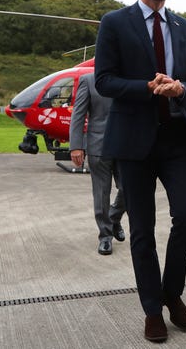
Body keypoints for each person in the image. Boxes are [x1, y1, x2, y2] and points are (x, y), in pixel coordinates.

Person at [94, 0, 186, 343]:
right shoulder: (114, 23)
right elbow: (104, 81)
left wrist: (179, 88)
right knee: (143, 230)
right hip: (133, 141)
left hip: (175, 137)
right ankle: (152, 309)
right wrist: (146, 87)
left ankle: (171, 291)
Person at [69, 72, 126, 255]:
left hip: (126, 145)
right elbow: (78, 114)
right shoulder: (88, 80)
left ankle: (114, 217)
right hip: (98, 145)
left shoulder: (129, 76)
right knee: (101, 194)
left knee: (129, 190)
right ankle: (105, 236)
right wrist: (76, 146)